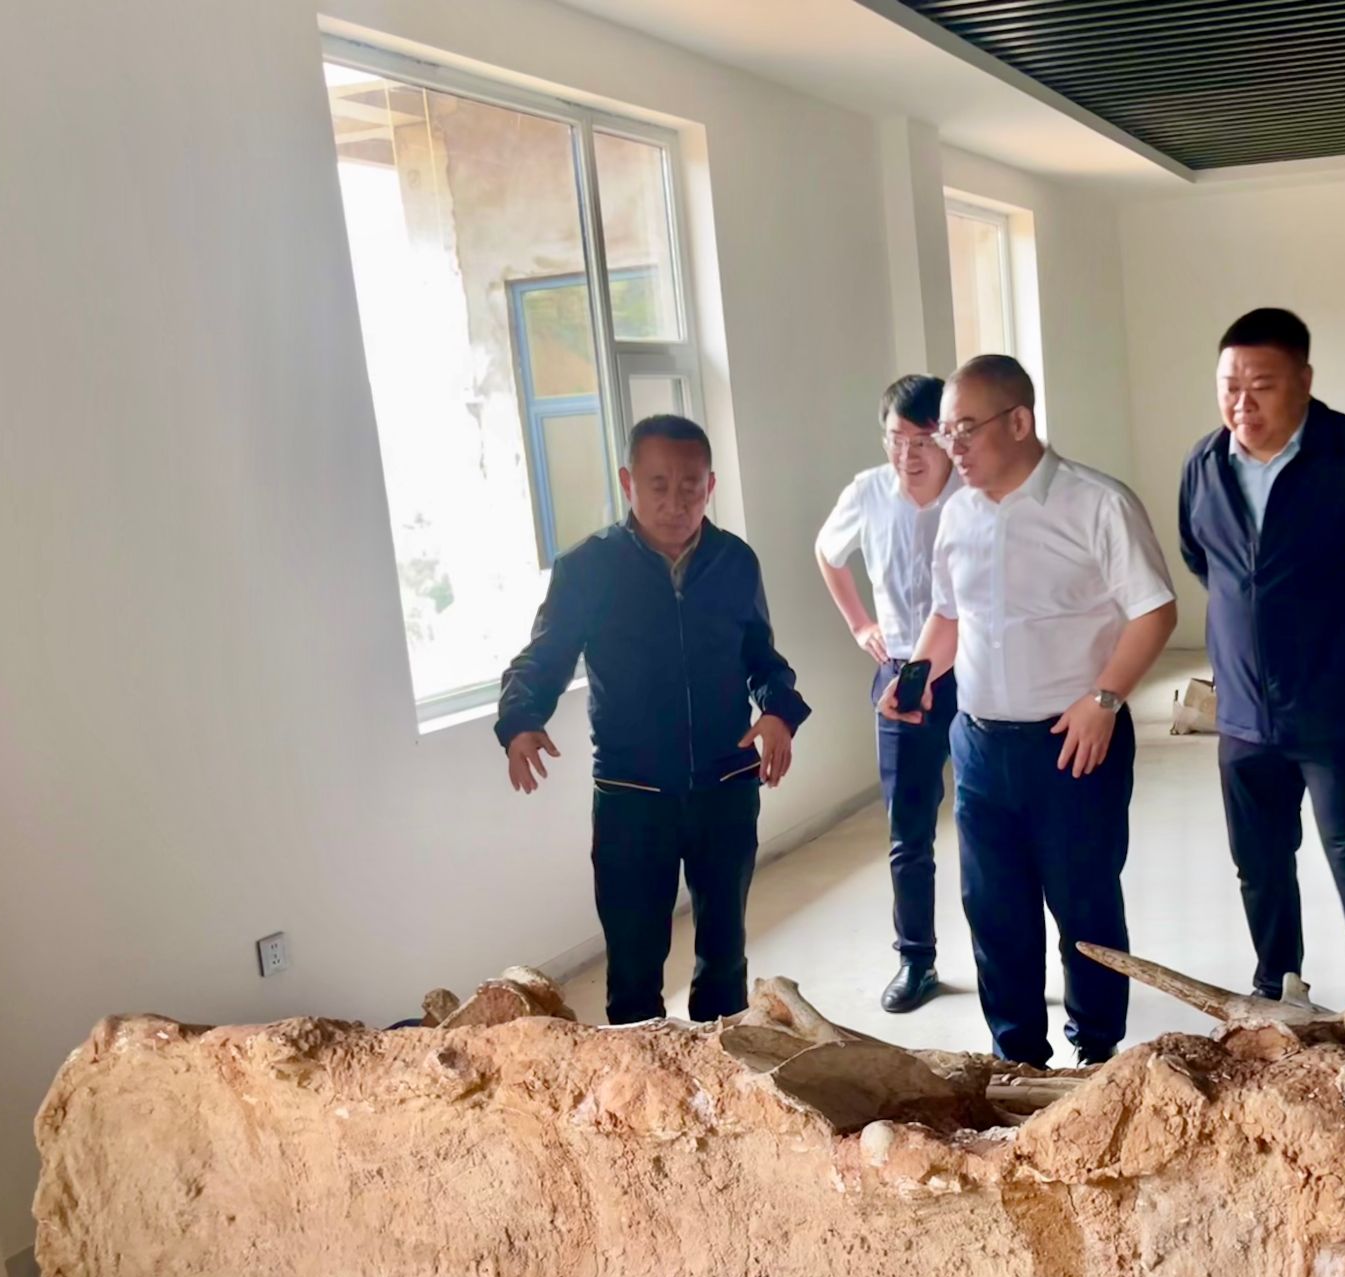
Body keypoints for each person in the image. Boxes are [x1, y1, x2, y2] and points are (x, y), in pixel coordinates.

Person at [883, 355, 1177, 1067]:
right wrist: (915, 674)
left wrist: (1105, 699)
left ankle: (1098, 1056)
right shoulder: (957, 514)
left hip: (1074, 742)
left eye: (965, 429)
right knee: (995, 913)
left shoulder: (1096, 503)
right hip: (980, 745)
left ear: (1019, 422)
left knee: (1085, 910)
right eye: (946, 431)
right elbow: (950, 615)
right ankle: (1016, 1060)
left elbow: (1155, 611)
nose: (952, 446)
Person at [496, 414, 811, 1026]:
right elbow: (546, 655)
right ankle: (636, 1078)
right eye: (658, 485)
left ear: (710, 485)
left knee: (725, 956)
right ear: (628, 482)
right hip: (631, 793)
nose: (675, 502)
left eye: (690, 486)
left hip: (726, 786)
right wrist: (520, 718)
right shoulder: (588, 568)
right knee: (634, 966)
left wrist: (779, 712)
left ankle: (723, 1067)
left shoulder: (735, 561)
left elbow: (761, 658)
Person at [1178, 309, 1345, 1022]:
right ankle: (1277, 993)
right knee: (1260, 868)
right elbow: (1204, 559)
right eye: (1229, 386)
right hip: (1242, 715)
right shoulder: (1205, 465)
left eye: (1261, 385)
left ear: (1304, 379)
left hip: (1337, 711)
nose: (1242, 404)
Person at [815, 376, 960, 1014]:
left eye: (922, 440)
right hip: (902, 676)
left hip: (974, 671)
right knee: (909, 829)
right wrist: (859, 624)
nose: (908, 454)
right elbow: (827, 552)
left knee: (990, 826)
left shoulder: (972, 494)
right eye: (896, 439)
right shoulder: (868, 492)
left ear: (947, 438)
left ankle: (1005, 959)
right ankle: (916, 959)